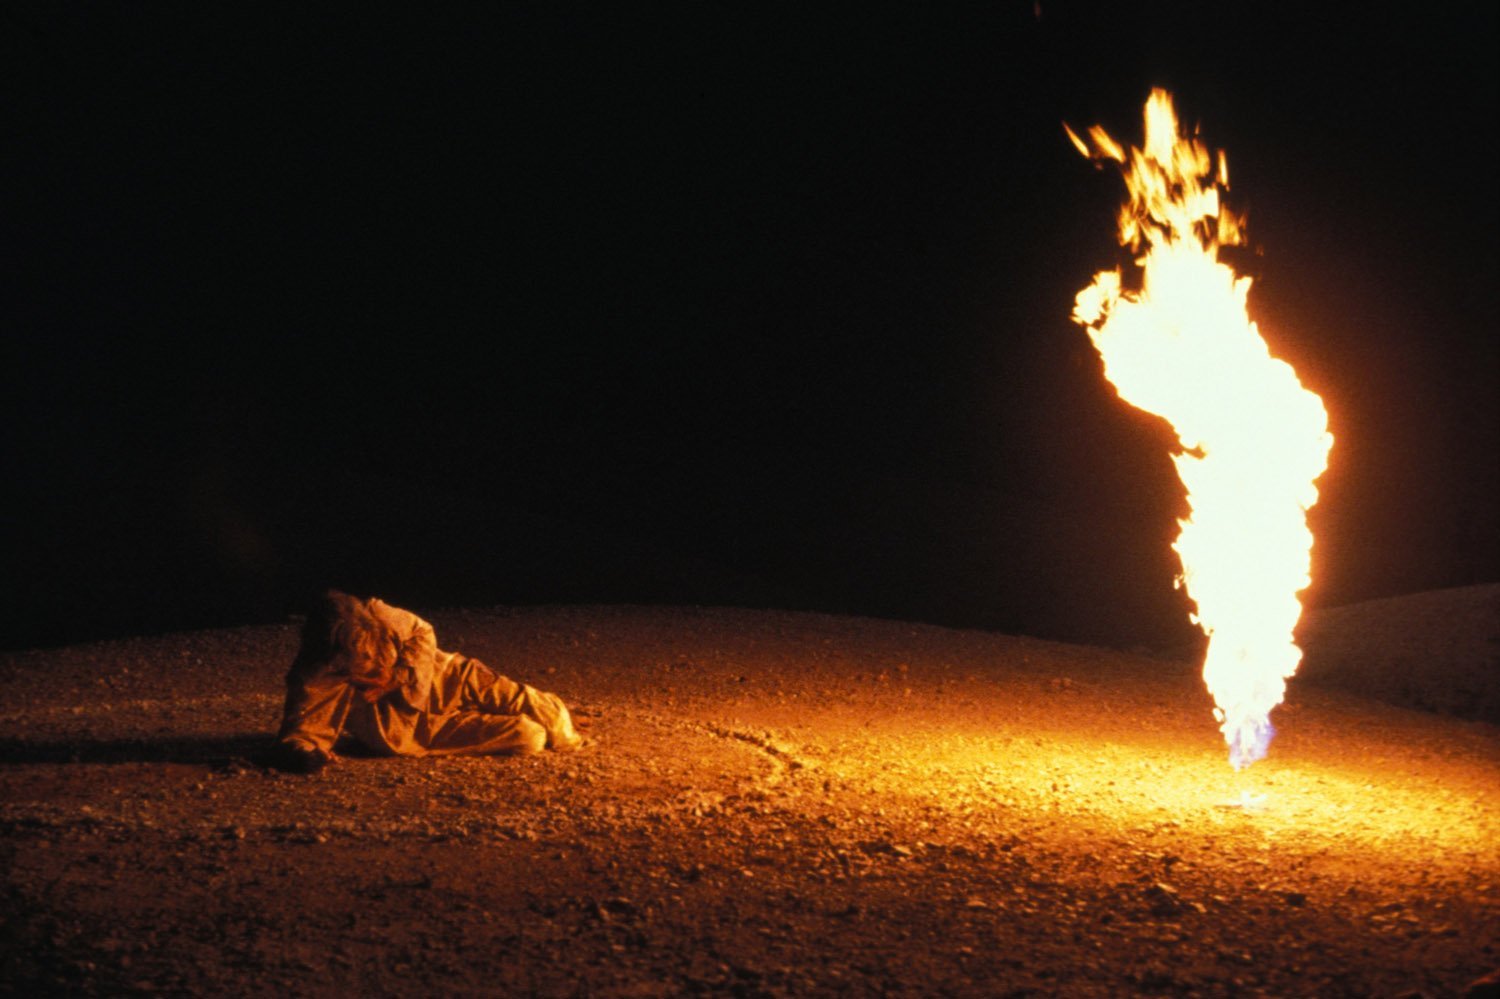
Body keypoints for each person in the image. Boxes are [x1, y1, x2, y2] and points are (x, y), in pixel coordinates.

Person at [273, 590, 586, 773]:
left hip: (443, 676)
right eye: (355, 654)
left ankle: (568, 729)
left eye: (366, 645)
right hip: (408, 724)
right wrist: (307, 755)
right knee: (529, 737)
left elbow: (422, 631)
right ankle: (530, 727)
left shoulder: (379, 615)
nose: (367, 657)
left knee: (547, 715)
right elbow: (301, 730)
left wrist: (399, 675)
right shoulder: (317, 674)